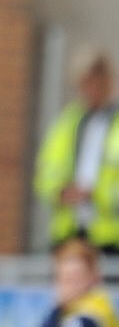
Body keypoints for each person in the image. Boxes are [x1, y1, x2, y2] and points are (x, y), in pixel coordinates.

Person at [34, 48, 119, 254]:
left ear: (108, 81)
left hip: (110, 237)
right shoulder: (66, 122)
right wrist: (60, 191)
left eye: (95, 82)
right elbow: (45, 172)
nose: (90, 90)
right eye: (84, 83)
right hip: (69, 232)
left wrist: (96, 195)